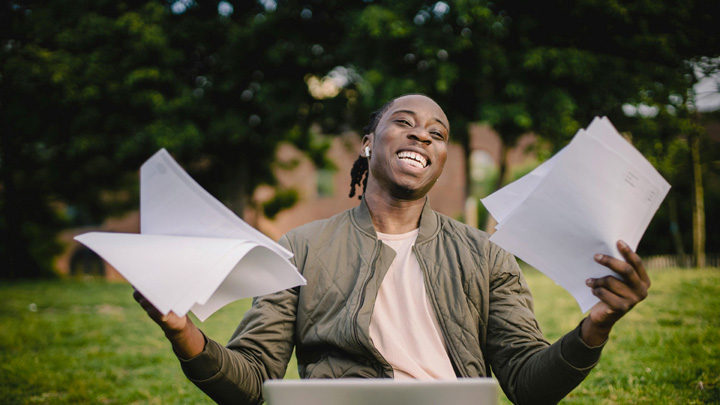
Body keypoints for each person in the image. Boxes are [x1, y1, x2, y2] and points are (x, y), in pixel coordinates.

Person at [134, 94, 650, 405]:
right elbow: (250, 384)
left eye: (437, 133)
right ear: (368, 142)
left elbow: (527, 385)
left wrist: (595, 327)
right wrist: (184, 333)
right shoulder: (300, 248)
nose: (422, 135)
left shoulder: (485, 255)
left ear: (443, 157)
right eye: (405, 122)